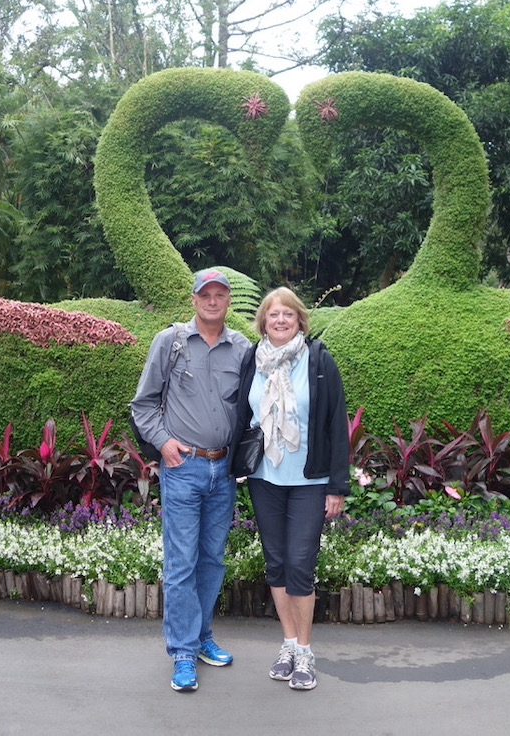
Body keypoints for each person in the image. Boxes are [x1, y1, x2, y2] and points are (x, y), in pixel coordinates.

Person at [131, 268, 251, 692]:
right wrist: (164, 443)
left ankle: (202, 638)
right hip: (184, 469)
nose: (213, 301)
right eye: (206, 295)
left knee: (213, 559)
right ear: (194, 299)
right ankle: (183, 652)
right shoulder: (171, 342)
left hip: (224, 470)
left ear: (228, 301)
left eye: (220, 295)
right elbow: (143, 405)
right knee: (182, 562)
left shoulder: (243, 349)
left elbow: (252, 408)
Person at [231, 287, 349, 691]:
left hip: (309, 481)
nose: (280, 320)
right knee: (277, 562)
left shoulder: (319, 361)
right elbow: (241, 415)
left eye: (288, 314)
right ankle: (288, 644)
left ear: (300, 320)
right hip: (265, 478)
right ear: (263, 321)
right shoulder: (253, 360)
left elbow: (336, 424)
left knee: (300, 563)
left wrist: (337, 486)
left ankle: (305, 651)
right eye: (273, 314)